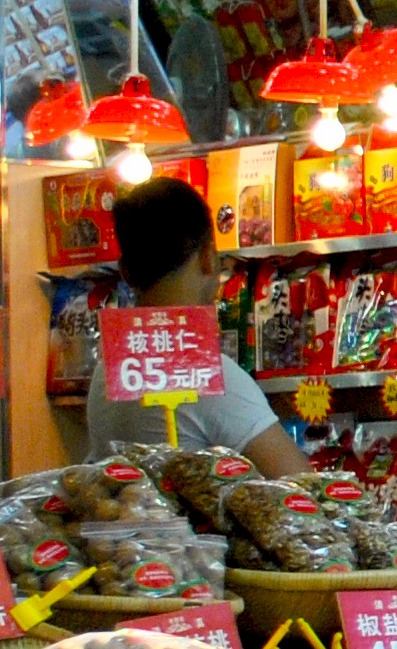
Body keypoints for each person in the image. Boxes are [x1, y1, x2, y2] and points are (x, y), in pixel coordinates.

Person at [90, 178, 307, 473]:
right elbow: (300, 486)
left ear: (126, 272)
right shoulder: (207, 374)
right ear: (208, 258)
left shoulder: (109, 370)